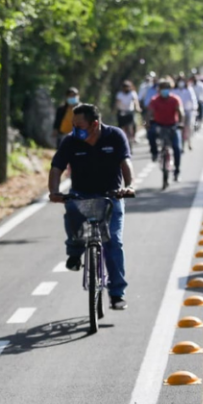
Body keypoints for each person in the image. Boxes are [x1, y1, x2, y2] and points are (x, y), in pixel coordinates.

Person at [48, 104, 135, 310]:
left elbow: (125, 162)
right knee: (72, 212)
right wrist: (54, 191)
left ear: (94, 124)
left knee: (113, 242)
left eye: (79, 126)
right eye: (73, 125)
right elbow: (56, 168)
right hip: (81, 195)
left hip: (111, 196)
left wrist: (129, 186)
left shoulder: (115, 136)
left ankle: (117, 294)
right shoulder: (71, 141)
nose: (75, 130)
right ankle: (75, 251)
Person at [146, 79, 184, 180]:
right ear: (159, 90)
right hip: (159, 125)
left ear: (170, 89)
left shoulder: (175, 99)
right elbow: (149, 112)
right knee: (150, 133)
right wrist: (147, 123)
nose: (164, 90)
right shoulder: (155, 100)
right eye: (162, 88)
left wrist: (181, 123)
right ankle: (154, 152)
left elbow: (180, 112)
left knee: (177, 148)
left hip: (172, 125)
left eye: (167, 88)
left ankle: (177, 171)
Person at [114, 80, 142, 146]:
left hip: (129, 111)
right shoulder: (119, 94)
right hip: (121, 111)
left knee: (133, 124)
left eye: (128, 87)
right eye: (125, 87)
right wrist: (115, 109)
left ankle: (134, 136)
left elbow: (135, 101)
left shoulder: (132, 93)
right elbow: (117, 103)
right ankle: (119, 138)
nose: (126, 88)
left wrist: (137, 107)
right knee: (120, 126)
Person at [173, 77, 197, 151]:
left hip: (188, 111)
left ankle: (189, 142)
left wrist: (194, 107)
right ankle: (181, 145)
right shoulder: (174, 91)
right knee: (179, 128)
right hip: (178, 113)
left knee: (189, 127)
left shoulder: (189, 89)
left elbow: (193, 99)